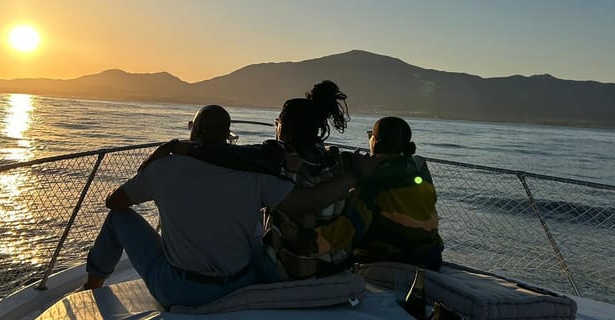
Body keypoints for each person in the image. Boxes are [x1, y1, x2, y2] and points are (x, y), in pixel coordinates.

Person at [82, 105, 360, 307]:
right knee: (253, 232)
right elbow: (304, 204)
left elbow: (114, 203)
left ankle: (91, 288)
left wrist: (151, 174)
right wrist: (354, 177)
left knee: (118, 219)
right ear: (228, 137)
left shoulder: (164, 168)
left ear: (197, 131)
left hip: (180, 291)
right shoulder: (256, 174)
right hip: (241, 284)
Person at [164, 81, 356, 279]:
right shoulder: (334, 158)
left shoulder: (277, 154)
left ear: (286, 128)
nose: (276, 127)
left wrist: (183, 147)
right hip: (336, 265)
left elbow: (231, 154)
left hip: (292, 268)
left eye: (277, 123)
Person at [348, 116, 444, 271]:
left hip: (393, 260)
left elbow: (351, 225)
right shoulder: (419, 170)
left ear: (376, 141)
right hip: (431, 257)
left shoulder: (372, 179)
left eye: (370, 135)